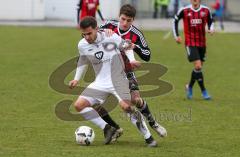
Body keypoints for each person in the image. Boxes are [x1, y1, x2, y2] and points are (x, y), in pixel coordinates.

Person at [69, 16, 157, 147]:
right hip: (100, 82)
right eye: (84, 34)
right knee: (79, 105)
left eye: (89, 33)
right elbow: (82, 61)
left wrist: (131, 60)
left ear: (96, 29)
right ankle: (108, 128)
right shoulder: (82, 44)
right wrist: (76, 79)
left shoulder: (110, 37)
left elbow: (126, 46)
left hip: (118, 80)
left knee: (127, 107)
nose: (86, 37)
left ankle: (148, 137)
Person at [98, 4, 167, 140]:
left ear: (133, 20)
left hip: (127, 71)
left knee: (135, 100)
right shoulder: (109, 26)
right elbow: (93, 37)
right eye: (123, 19)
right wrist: (103, 33)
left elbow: (147, 55)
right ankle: (115, 128)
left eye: (128, 20)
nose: (125, 23)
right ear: (119, 16)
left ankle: (153, 123)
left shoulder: (136, 34)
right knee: (96, 103)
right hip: (106, 72)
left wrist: (135, 46)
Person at [172, 0, 214, 100]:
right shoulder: (184, 10)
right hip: (190, 43)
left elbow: (211, 22)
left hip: (202, 43)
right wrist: (176, 36)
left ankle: (189, 87)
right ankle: (204, 91)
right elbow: (175, 21)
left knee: (198, 69)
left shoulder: (206, 10)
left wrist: (211, 28)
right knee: (198, 65)